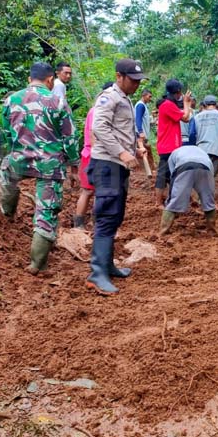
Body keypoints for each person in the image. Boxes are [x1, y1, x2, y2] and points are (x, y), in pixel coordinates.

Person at [0, 62, 79, 275]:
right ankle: (37, 264)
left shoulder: (10, 100)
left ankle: (6, 214)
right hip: (49, 164)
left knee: (6, 176)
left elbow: (7, 132)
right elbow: (70, 138)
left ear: (29, 78)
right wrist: (74, 165)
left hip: (19, 159)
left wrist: (16, 150)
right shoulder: (58, 101)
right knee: (46, 211)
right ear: (51, 79)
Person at [86, 58, 148, 295]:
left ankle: (107, 265)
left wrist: (135, 147)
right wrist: (122, 152)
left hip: (117, 164)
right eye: (133, 80)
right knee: (107, 215)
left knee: (115, 215)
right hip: (107, 164)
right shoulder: (108, 97)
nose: (137, 85)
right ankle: (96, 273)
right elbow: (99, 128)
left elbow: (121, 129)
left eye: (139, 81)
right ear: (119, 76)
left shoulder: (125, 99)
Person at [73, 82, 113, 229]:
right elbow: (93, 134)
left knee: (95, 192)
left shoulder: (99, 110)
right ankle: (81, 224)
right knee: (90, 191)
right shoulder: (98, 111)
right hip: (94, 155)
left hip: (94, 154)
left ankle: (91, 223)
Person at [159, 145, 217, 235]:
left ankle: (163, 232)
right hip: (205, 167)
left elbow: (173, 177)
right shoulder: (202, 152)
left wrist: (181, 193)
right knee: (209, 201)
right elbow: (210, 173)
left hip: (183, 166)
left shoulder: (173, 155)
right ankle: (212, 231)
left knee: (173, 201)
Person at [155, 79, 192, 206]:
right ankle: (159, 203)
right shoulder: (168, 105)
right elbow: (186, 118)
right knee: (164, 175)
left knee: (172, 175)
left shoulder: (167, 105)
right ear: (178, 93)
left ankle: (172, 200)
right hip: (168, 146)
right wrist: (187, 103)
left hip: (169, 146)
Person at [189, 94, 218, 176]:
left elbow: (192, 134)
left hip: (200, 149)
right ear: (216, 104)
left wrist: (193, 148)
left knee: (201, 175)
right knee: (211, 175)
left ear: (204, 104)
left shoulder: (196, 117)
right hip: (215, 149)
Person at [134, 88, 155, 175]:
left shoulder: (143, 106)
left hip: (142, 134)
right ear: (144, 95)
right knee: (143, 151)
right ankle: (146, 172)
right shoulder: (140, 105)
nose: (150, 98)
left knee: (146, 150)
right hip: (140, 135)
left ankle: (148, 169)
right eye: (149, 96)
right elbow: (138, 119)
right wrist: (140, 131)